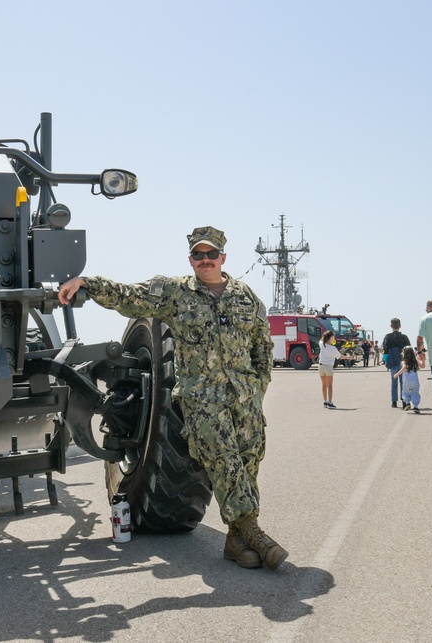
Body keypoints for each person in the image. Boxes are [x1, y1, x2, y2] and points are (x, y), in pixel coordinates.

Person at [57, 226, 287, 571]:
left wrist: (257, 387)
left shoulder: (246, 297)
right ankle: (252, 530)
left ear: (223, 257)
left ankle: (235, 542)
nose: (205, 260)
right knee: (223, 460)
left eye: (211, 254)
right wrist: (88, 283)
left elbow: (261, 346)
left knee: (250, 458)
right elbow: (129, 296)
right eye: (198, 254)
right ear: (191, 259)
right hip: (202, 399)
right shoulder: (176, 293)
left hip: (243, 398)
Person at [317, 330, 354, 408]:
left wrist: (324, 335)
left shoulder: (322, 344)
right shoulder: (332, 348)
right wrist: (348, 357)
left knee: (324, 385)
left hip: (321, 366)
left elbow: (321, 339)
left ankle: (325, 401)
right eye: (333, 337)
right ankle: (330, 402)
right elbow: (340, 356)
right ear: (329, 338)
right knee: (330, 385)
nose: (334, 338)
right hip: (328, 367)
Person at [382, 318, 411, 409]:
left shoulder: (387, 337)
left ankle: (394, 401)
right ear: (400, 326)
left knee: (393, 382)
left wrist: (386, 362)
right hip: (403, 362)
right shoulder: (404, 337)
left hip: (392, 361)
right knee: (403, 382)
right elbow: (409, 349)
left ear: (391, 326)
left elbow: (385, 351)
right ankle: (404, 400)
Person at [393, 345, 423, 413]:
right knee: (415, 392)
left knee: (405, 392)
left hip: (407, 381)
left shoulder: (404, 362)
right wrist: (423, 359)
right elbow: (423, 366)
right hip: (415, 381)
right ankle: (415, 406)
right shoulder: (415, 361)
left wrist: (397, 374)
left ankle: (407, 403)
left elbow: (405, 368)